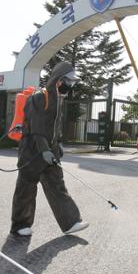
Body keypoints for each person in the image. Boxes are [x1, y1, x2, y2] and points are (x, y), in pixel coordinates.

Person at [10, 61, 89, 237]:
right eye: (70, 82)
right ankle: (20, 225)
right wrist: (45, 150)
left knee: (57, 186)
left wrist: (57, 145)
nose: (71, 85)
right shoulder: (39, 98)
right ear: (59, 80)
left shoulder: (57, 99)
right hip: (31, 151)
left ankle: (71, 222)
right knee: (26, 188)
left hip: (49, 152)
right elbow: (36, 128)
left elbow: (53, 128)